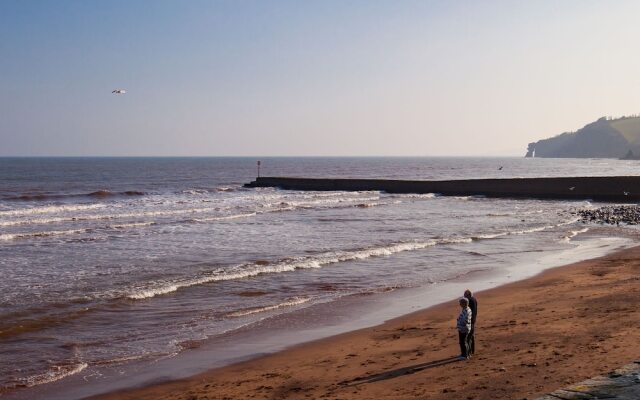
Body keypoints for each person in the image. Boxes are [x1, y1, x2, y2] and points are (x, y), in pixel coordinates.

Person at [464, 289, 478, 355]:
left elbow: (469, 312)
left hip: (471, 320)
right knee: (471, 336)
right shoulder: (474, 299)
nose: (464, 297)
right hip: (473, 319)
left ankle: (469, 352)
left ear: (468, 295)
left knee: (469, 337)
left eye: (465, 295)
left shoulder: (470, 301)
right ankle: (472, 351)